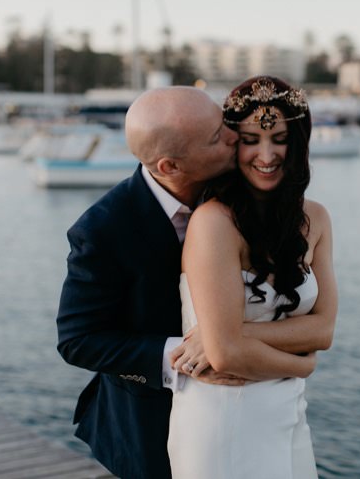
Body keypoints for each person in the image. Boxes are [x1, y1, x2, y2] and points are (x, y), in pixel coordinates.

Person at [56, 86, 240, 479]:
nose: (234, 136)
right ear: (170, 166)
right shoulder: (102, 229)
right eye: (216, 136)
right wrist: (184, 357)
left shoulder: (239, 193)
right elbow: (78, 340)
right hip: (147, 428)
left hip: (243, 418)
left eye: (224, 122)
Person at [167, 76, 338, 479]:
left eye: (279, 138)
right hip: (223, 413)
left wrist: (229, 335)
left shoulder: (316, 218)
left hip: (288, 411)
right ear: (233, 143)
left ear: (299, 141)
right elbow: (225, 356)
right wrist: (303, 366)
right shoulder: (214, 223)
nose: (266, 154)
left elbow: (324, 330)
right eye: (249, 139)